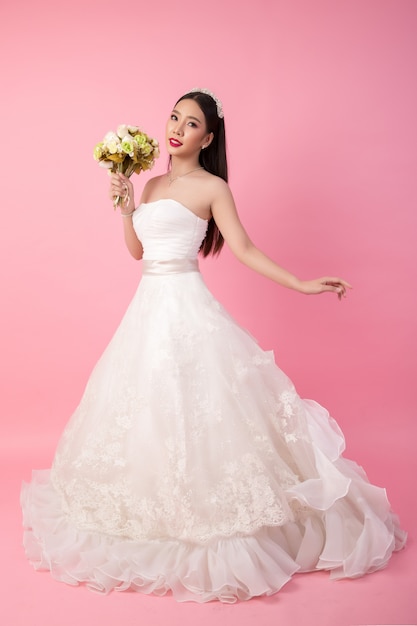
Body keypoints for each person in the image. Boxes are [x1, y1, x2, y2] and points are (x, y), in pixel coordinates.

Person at [21, 89, 406, 603]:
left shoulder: (213, 188)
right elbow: (139, 252)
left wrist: (301, 283)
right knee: (147, 412)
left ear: (208, 136)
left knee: (202, 413)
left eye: (192, 122)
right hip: (146, 310)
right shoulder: (152, 183)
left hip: (188, 308)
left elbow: (242, 248)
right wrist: (125, 207)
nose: (177, 127)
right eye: (174, 116)